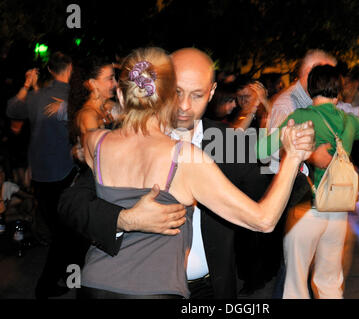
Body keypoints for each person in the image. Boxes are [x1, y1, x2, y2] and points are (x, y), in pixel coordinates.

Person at [62, 47, 314, 299]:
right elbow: (71, 203)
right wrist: (125, 219)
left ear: (212, 92)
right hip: (145, 286)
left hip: (207, 288)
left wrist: (293, 159)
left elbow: (274, 198)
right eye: (177, 92)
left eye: (196, 95)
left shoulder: (230, 144)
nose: (184, 106)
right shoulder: (125, 137)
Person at [257, 64, 359, 299]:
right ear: (338, 89)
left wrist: (266, 119)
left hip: (305, 209)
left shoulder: (300, 117)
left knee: (295, 284)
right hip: (338, 210)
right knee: (330, 283)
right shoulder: (348, 121)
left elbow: (261, 150)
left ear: (312, 88)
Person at [6, 52, 80, 298]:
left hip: (40, 173)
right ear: (69, 68)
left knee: (62, 229)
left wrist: (27, 85)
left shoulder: (37, 96)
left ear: (49, 70)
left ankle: (67, 276)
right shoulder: (72, 96)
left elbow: (13, 109)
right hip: (64, 172)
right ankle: (46, 285)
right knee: (66, 231)